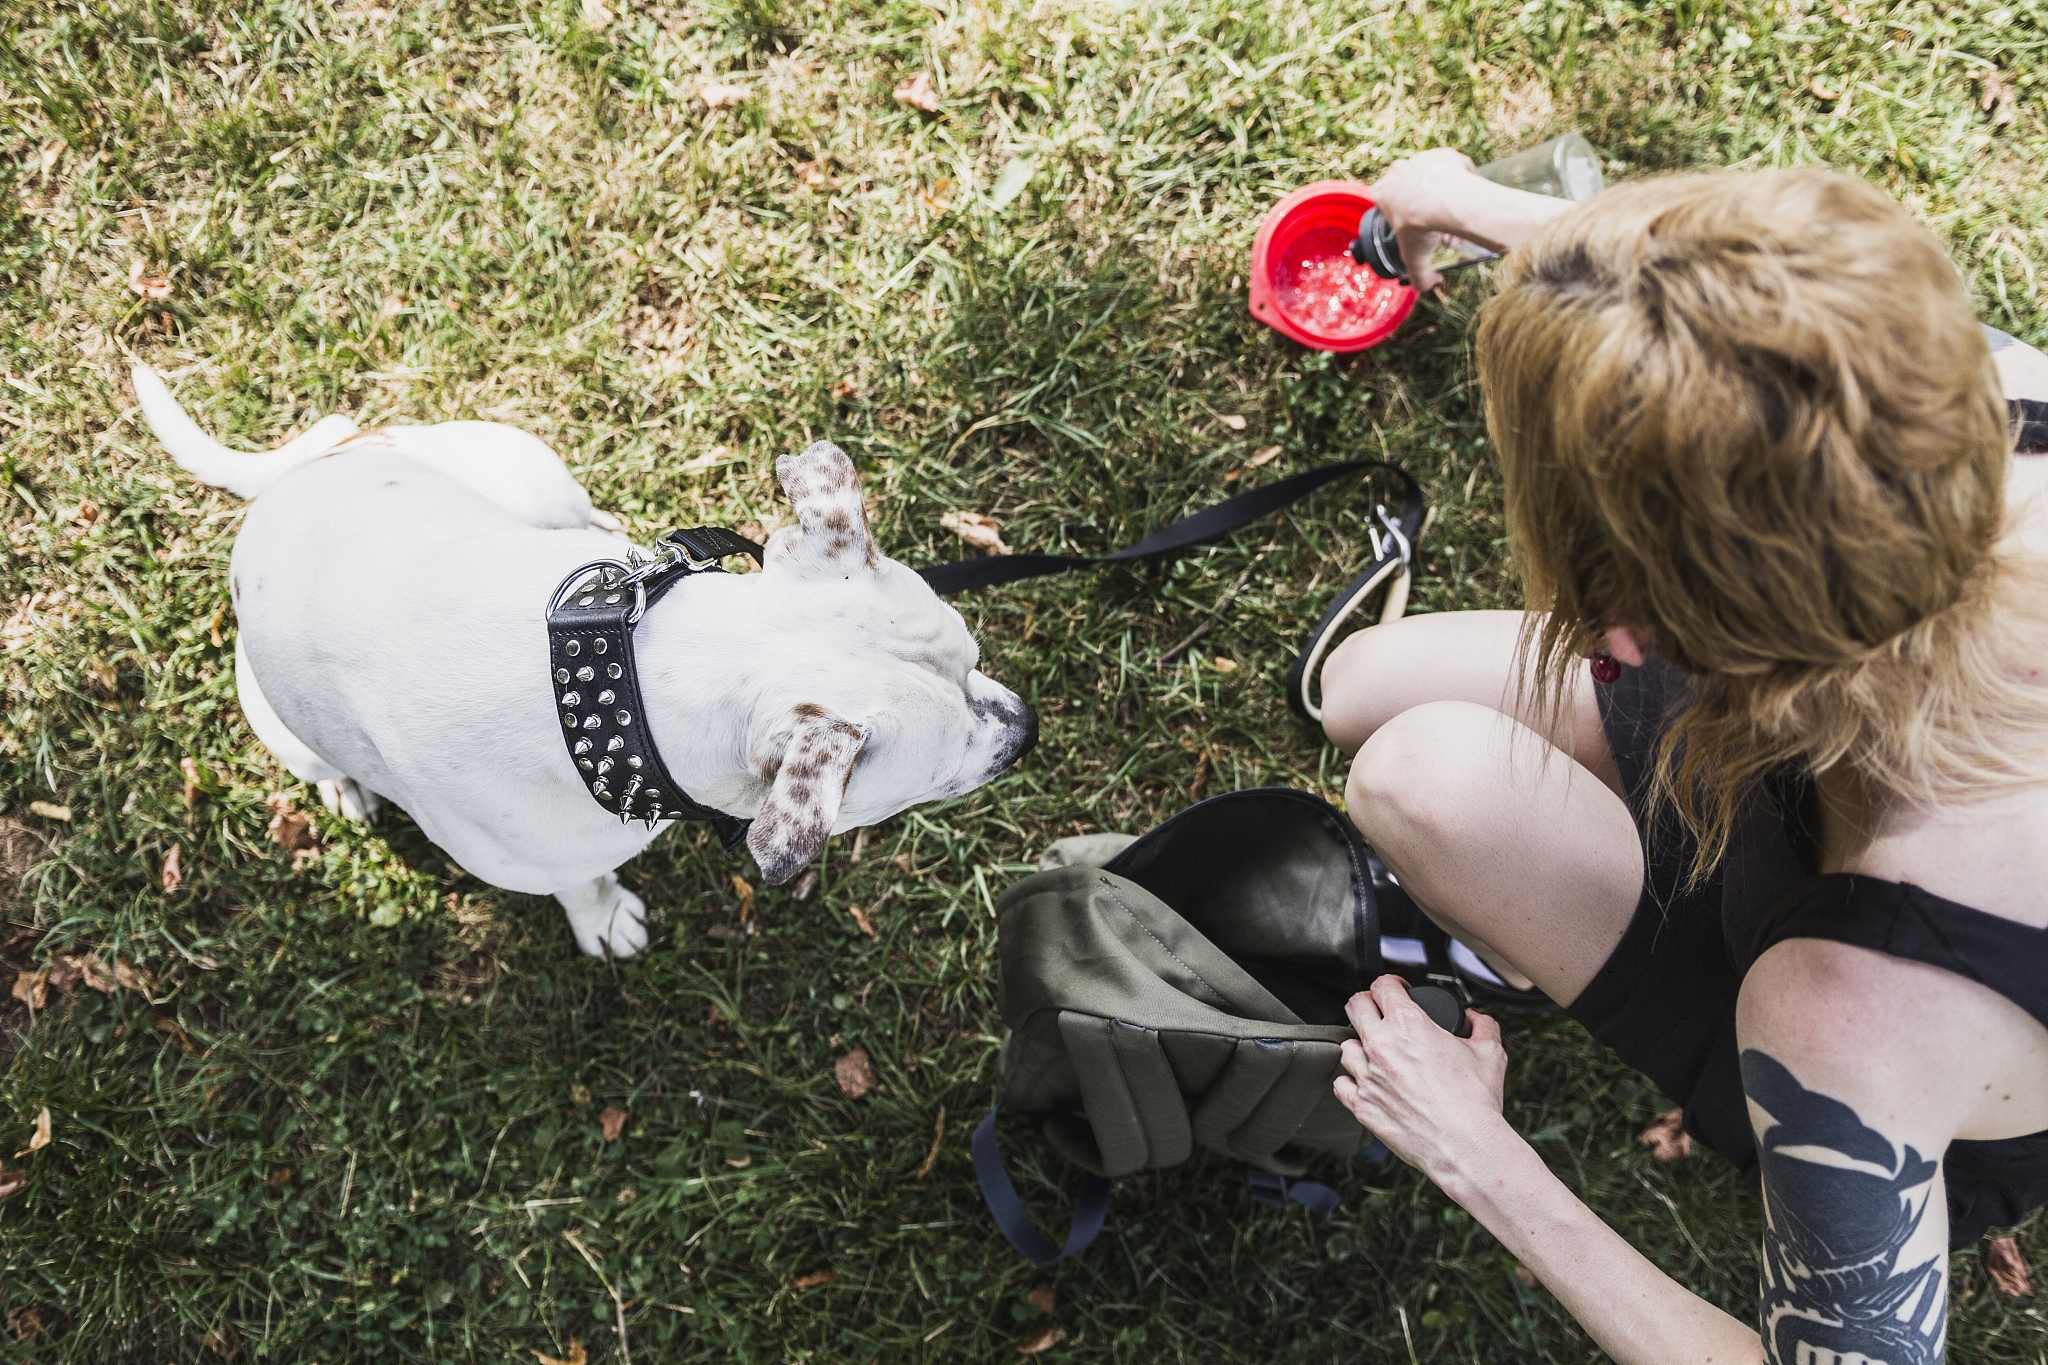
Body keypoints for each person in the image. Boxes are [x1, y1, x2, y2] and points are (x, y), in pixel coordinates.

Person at [1318, 153, 2048, 1365]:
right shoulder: (1981, 402)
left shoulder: (1846, 1021)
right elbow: (1765, 339)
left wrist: (1476, 1153)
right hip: (1800, 758)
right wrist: (1470, 207)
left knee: (1418, 782)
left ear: (1633, 634)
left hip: (1865, 1031)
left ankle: (1547, 934)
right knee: (1360, 691)